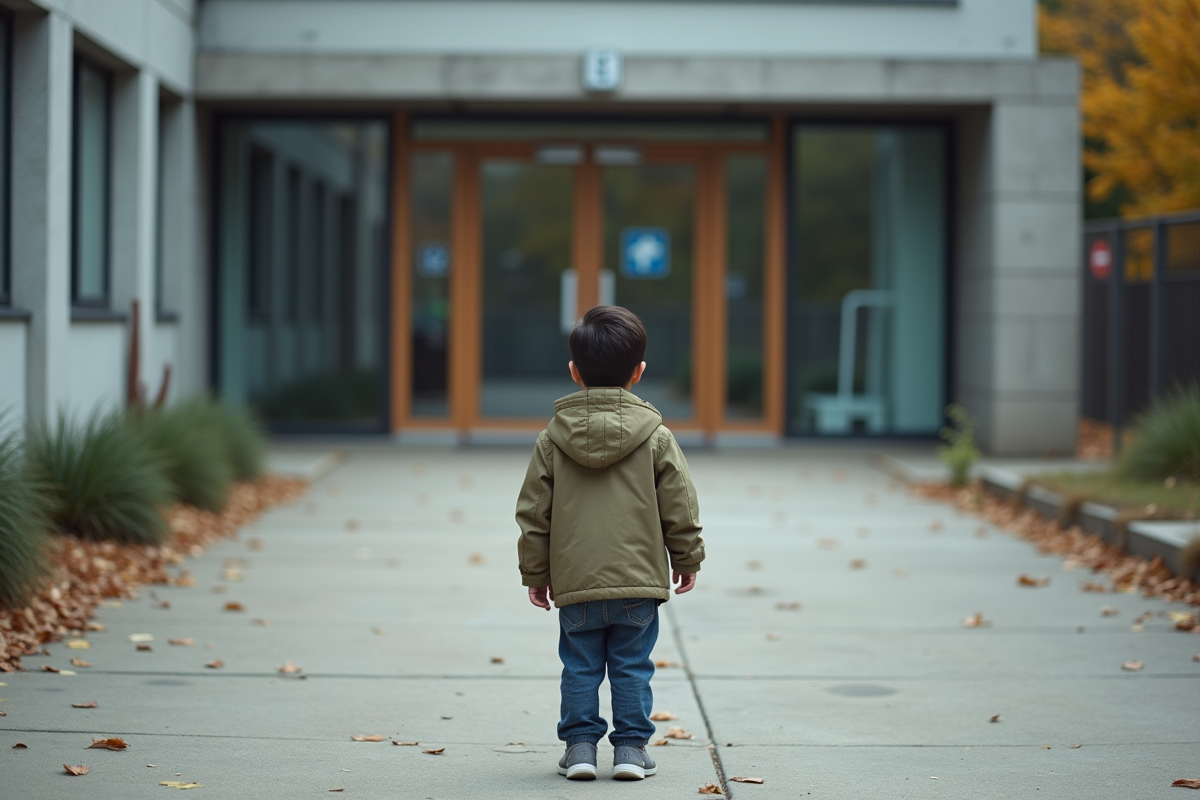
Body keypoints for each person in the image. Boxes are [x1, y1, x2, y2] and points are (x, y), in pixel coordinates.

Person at [515, 305, 705, 782]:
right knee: (632, 667)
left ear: (574, 372)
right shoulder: (657, 438)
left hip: (576, 580)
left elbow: (534, 514)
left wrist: (536, 574)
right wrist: (687, 558)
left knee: (579, 667)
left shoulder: (551, 439)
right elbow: (679, 505)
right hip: (638, 581)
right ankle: (631, 751)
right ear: (639, 373)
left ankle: (580, 749)